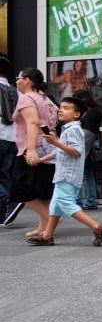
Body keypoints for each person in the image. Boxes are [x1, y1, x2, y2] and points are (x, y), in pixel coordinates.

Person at [25, 97, 102, 246]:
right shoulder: (68, 129)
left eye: (66, 108)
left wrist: (55, 142)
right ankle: (47, 236)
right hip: (63, 174)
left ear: (76, 114)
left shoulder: (74, 130)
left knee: (65, 203)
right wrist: (40, 159)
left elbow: (76, 151)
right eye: (60, 107)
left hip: (68, 175)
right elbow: (59, 152)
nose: (60, 110)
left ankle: (97, 227)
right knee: (55, 205)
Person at [10, 68, 59, 239]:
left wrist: (30, 149)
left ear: (28, 80)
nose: (16, 81)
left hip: (32, 146)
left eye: (19, 78)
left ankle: (49, 219)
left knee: (20, 186)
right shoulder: (45, 98)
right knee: (41, 189)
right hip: (49, 147)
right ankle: (43, 227)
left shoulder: (27, 98)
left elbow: (33, 123)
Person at [73, 89, 102, 210]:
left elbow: (88, 132)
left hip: (86, 145)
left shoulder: (91, 112)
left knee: (80, 174)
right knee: (88, 174)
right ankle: (91, 200)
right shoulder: (94, 111)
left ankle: (80, 201)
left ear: (83, 99)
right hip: (89, 144)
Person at [0, 57, 19, 225]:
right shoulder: (15, 90)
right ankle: (6, 209)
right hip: (12, 138)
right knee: (5, 175)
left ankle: (4, 209)